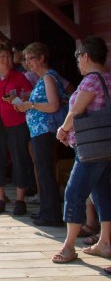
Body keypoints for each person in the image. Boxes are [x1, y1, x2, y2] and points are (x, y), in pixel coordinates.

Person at [53, 36, 111, 264]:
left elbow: (76, 112)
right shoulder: (108, 78)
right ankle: (105, 242)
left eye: (78, 59)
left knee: (73, 193)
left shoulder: (91, 81)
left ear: (86, 56)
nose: (78, 64)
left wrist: (63, 130)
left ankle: (68, 247)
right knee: (102, 193)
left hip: (90, 149)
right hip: (105, 145)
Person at [0, 43, 34, 216]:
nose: (6, 59)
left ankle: (19, 200)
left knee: (20, 159)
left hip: (16, 123)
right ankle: (0, 199)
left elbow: (30, 97)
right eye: (2, 56)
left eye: (8, 56)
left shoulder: (19, 77)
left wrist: (18, 98)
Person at [15, 42, 65, 226]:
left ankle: (51, 215)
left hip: (45, 131)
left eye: (31, 58)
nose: (28, 63)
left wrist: (31, 105)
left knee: (45, 172)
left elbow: (53, 105)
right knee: (42, 172)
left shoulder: (48, 78)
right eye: (26, 59)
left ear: (42, 58)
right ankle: (46, 210)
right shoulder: (43, 78)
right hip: (39, 131)